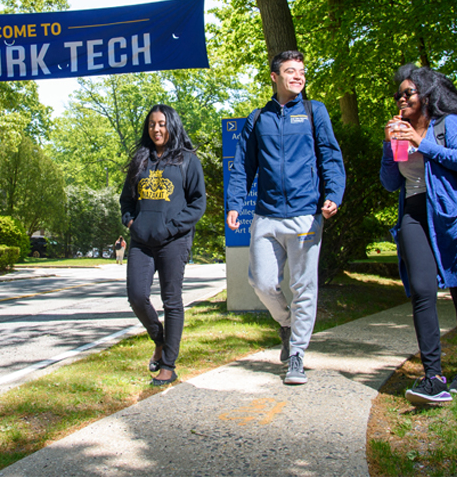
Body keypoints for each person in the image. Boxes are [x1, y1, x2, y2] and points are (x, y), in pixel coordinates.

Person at [226, 50, 346, 385]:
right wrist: (235, 204)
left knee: (304, 286)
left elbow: (330, 157)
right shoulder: (258, 118)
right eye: (291, 71)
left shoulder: (313, 111)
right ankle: (288, 322)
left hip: (306, 216)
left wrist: (332, 195)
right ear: (275, 77)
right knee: (261, 281)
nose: (298, 76)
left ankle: (296, 355)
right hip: (266, 215)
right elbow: (243, 167)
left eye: (302, 71)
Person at [380, 63, 457, 404]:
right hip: (413, 213)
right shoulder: (399, 130)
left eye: (408, 93)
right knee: (423, 290)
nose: (401, 99)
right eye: (398, 94)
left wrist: (422, 141)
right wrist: (390, 147)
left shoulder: (449, 125)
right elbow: (390, 183)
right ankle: (433, 376)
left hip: (450, 212)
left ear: (426, 94)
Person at [120, 104, 206, 386]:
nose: (156, 129)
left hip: (173, 241)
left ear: (172, 125)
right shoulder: (140, 160)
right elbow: (127, 201)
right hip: (142, 242)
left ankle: (168, 365)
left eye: (161, 124)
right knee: (136, 296)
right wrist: (131, 221)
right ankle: (159, 338)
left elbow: (197, 203)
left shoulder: (187, 160)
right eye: (151, 125)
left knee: (172, 302)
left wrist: (171, 228)